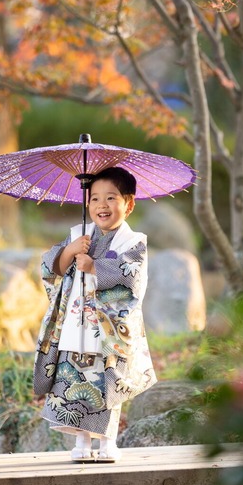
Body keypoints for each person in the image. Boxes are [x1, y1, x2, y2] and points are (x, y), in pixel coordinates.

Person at [31, 166, 157, 463]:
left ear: (129, 204)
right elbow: (50, 268)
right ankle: (82, 442)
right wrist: (70, 251)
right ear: (87, 203)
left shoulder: (133, 241)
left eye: (111, 198)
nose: (102, 205)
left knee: (107, 382)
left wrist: (94, 266)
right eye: (95, 198)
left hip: (110, 330)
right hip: (75, 326)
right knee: (72, 379)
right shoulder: (79, 234)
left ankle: (108, 443)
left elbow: (132, 277)